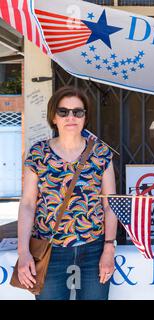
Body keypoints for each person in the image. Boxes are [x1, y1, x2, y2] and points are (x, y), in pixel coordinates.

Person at [17, 86, 117, 300]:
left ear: (85, 117)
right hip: (49, 251)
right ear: (54, 117)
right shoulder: (38, 153)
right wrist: (23, 251)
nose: (70, 117)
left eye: (77, 112)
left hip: (93, 249)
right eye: (63, 111)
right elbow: (27, 204)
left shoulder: (101, 154)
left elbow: (110, 204)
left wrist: (109, 248)